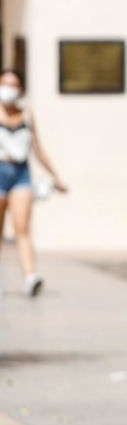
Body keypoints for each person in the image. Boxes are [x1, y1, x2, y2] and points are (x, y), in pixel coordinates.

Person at [0, 69, 66, 298]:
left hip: (21, 173)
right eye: (5, 83)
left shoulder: (27, 115)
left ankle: (30, 276)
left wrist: (56, 176)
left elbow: (38, 149)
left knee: (22, 228)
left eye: (13, 84)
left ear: (20, 89)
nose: (8, 88)